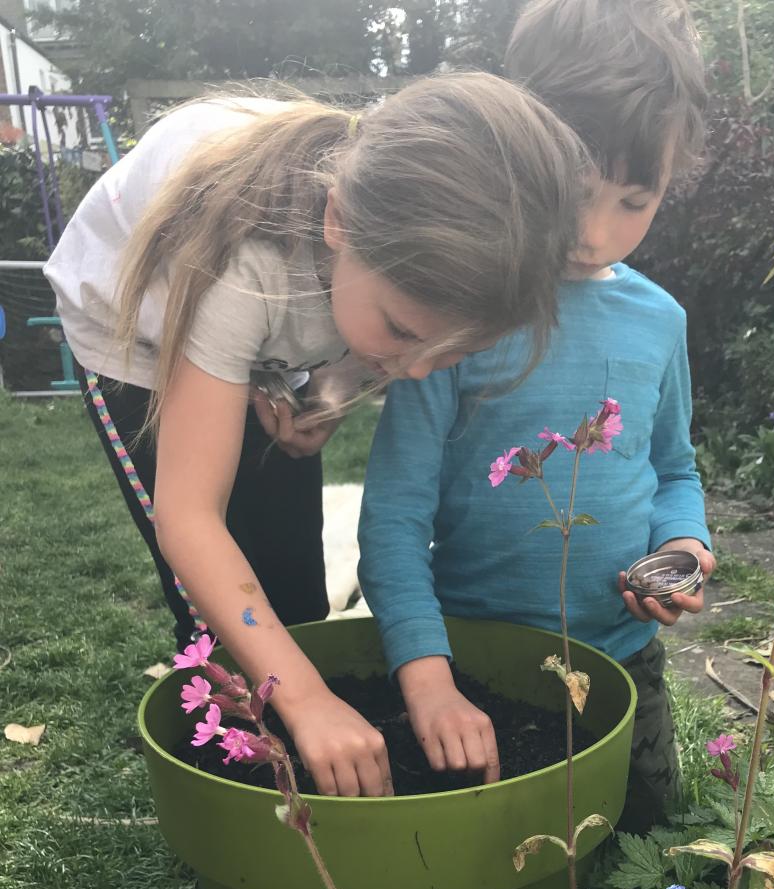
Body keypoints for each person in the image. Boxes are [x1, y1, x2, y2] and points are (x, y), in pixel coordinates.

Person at [44, 72, 591, 798]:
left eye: (451, 353)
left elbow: (358, 333)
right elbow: (189, 518)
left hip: (263, 319)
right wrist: (300, 699)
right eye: (402, 332)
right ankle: (239, 776)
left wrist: (324, 395)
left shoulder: (392, 266)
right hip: (131, 332)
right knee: (212, 601)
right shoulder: (246, 266)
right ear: (338, 222)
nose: (418, 371)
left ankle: (300, 717)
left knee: (288, 576)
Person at [358, 0, 714, 828]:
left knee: (644, 863)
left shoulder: (660, 319)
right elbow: (395, 515)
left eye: (635, 200)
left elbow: (674, 468)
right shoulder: (461, 308)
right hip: (474, 673)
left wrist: (685, 545)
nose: (595, 233)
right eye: (578, 192)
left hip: (625, 662)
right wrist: (428, 676)